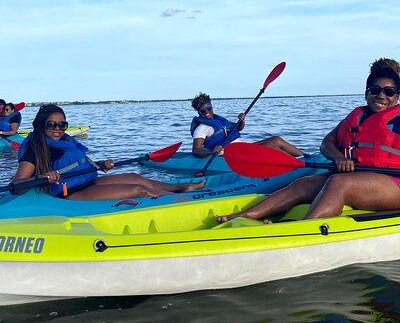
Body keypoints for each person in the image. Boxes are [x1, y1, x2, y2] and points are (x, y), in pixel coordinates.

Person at [216, 65, 400, 223]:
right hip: (360, 177)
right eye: (375, 90)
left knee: (339, 182)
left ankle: (304, 229)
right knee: (303, 184)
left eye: (389, 92)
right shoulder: (357, 116)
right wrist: (339, 157)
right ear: (366, 92)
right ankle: (244, 215)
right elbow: (327, 142)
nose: (381, 95)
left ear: (397, 97)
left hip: (393, 183)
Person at [13, 104, 205, 200]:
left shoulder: (64, 140)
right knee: (139, 190)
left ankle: (183, 187)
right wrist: (44, 177)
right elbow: (18, 183)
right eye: (52, 124)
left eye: (62, 124)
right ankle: (181, 199)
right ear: (41, 125)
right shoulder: (35, 147)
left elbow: (76, 165)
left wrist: (99, 165)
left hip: (86, 181)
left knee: (135, 177)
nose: (58, 128)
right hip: (69, 194)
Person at [190, 92, 303, 158]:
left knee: (276, 140)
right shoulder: (201, 129)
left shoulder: (219, 120)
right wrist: (211, 151)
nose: (207, 112)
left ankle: (305, 157)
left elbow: (238, 129)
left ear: (211, 106)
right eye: (203, 111)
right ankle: (297, 164)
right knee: (268, 146)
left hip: (241, 148)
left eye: (209, 108)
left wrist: (242, 121)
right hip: (230, 156)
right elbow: (196, 150)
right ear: (198, 112)